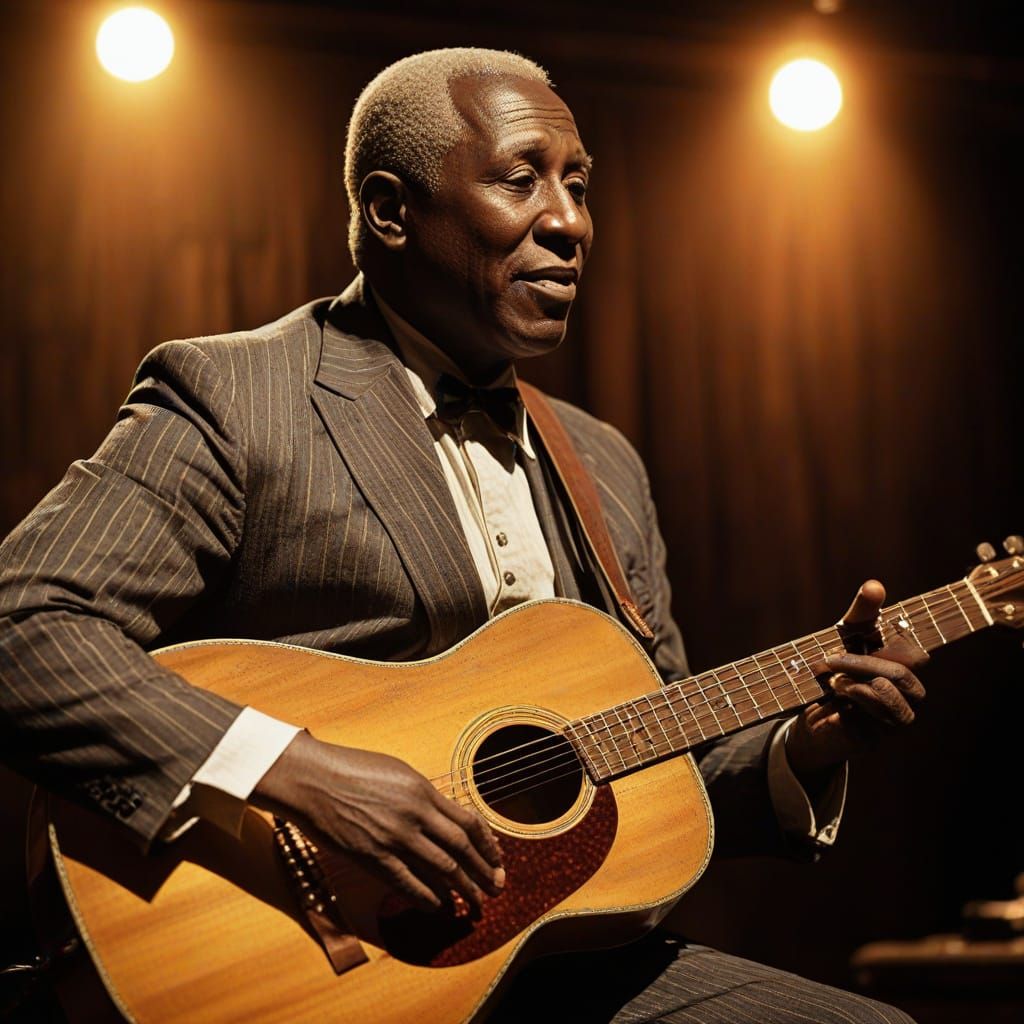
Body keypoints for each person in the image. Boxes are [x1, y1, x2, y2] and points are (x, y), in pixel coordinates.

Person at [0, 47, 926, 1023]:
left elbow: (656, 773)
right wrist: (299, 772)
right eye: (522, 179)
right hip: (304, 968)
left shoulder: (602, 464)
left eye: (578, 187)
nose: (570, 223)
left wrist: (805, 745)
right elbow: (22, 625)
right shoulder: (239, 397)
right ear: (393, 211)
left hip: (556, 959)